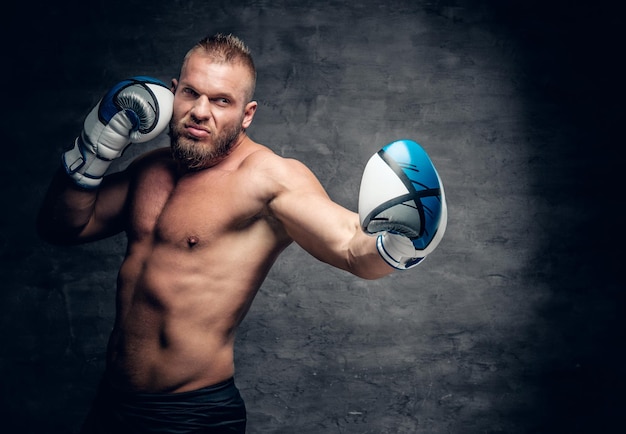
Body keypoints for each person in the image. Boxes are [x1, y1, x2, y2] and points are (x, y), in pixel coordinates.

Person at [37, 33, 446, 433]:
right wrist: (93, 150)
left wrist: (401, 240)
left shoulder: (268, 178)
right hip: (113, 404)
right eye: (191, 93)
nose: (200, 111)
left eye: (221, 101)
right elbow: (62, 227)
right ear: (173, 92)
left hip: (191, 415)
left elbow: (353, 249)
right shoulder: (150, 170)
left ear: (247, 114)